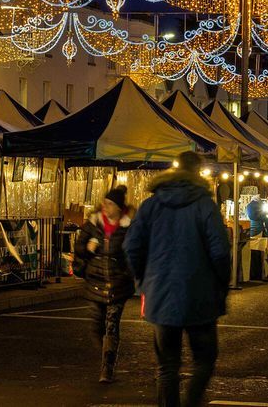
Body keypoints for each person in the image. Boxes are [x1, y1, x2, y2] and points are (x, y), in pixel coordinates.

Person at [124, 151, 231, 407]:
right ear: (198, 172)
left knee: (167, 366)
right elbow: (220, 251)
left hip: (161, 294)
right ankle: (192, 402)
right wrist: (221, 285)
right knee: (204, 360)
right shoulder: (205, 204)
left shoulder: (151, 205)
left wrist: (144, 279)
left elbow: (131, 247)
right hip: (200, 294)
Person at [73, 186, 134, 383]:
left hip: (118, 284)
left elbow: (134, 252)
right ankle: (106, 354)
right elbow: (79, 248)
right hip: (96, 282)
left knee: (111, 325)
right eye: (105, 203)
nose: (105, 207)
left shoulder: (128, 226)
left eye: (109, 204)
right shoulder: (93, 223)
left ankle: (107, 367)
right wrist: (89, 247)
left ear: (118, 207)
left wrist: (128, 271)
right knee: (97, 325)